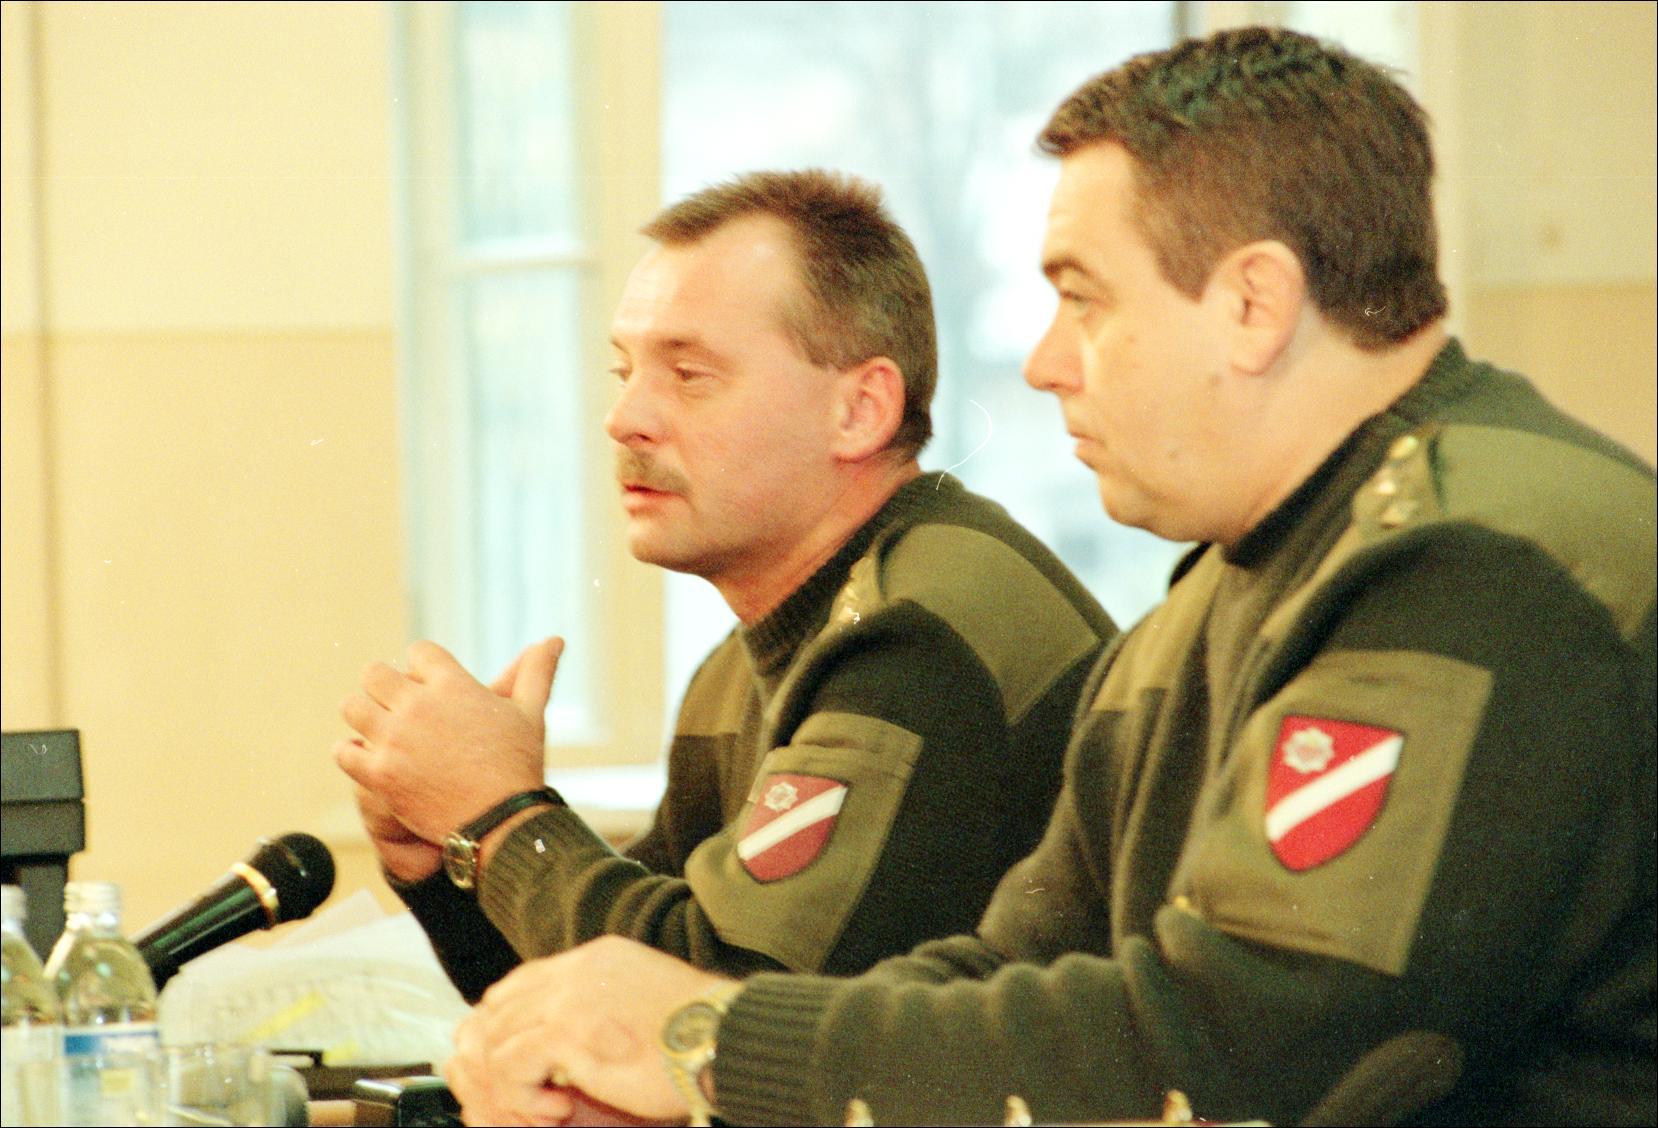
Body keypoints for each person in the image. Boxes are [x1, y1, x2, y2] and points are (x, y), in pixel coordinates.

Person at [441, 27, 1657, 1128]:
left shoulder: (1472, 561)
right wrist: (669, 1064)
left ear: (1253, 303)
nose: (1042, 362)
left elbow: (1252, 1042)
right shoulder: (1214, 596)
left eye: (1082, 299)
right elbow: (1013, 965)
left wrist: (709, 1046)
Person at [335, 169, 1118, 998]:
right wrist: (444, 856)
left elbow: (718, 1004)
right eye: (624, 372)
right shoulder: (740, 666)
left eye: (689, 374)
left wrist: (497, 815)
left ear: (859, 410)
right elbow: (591, 993)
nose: (625, 419)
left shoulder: (918, 635)